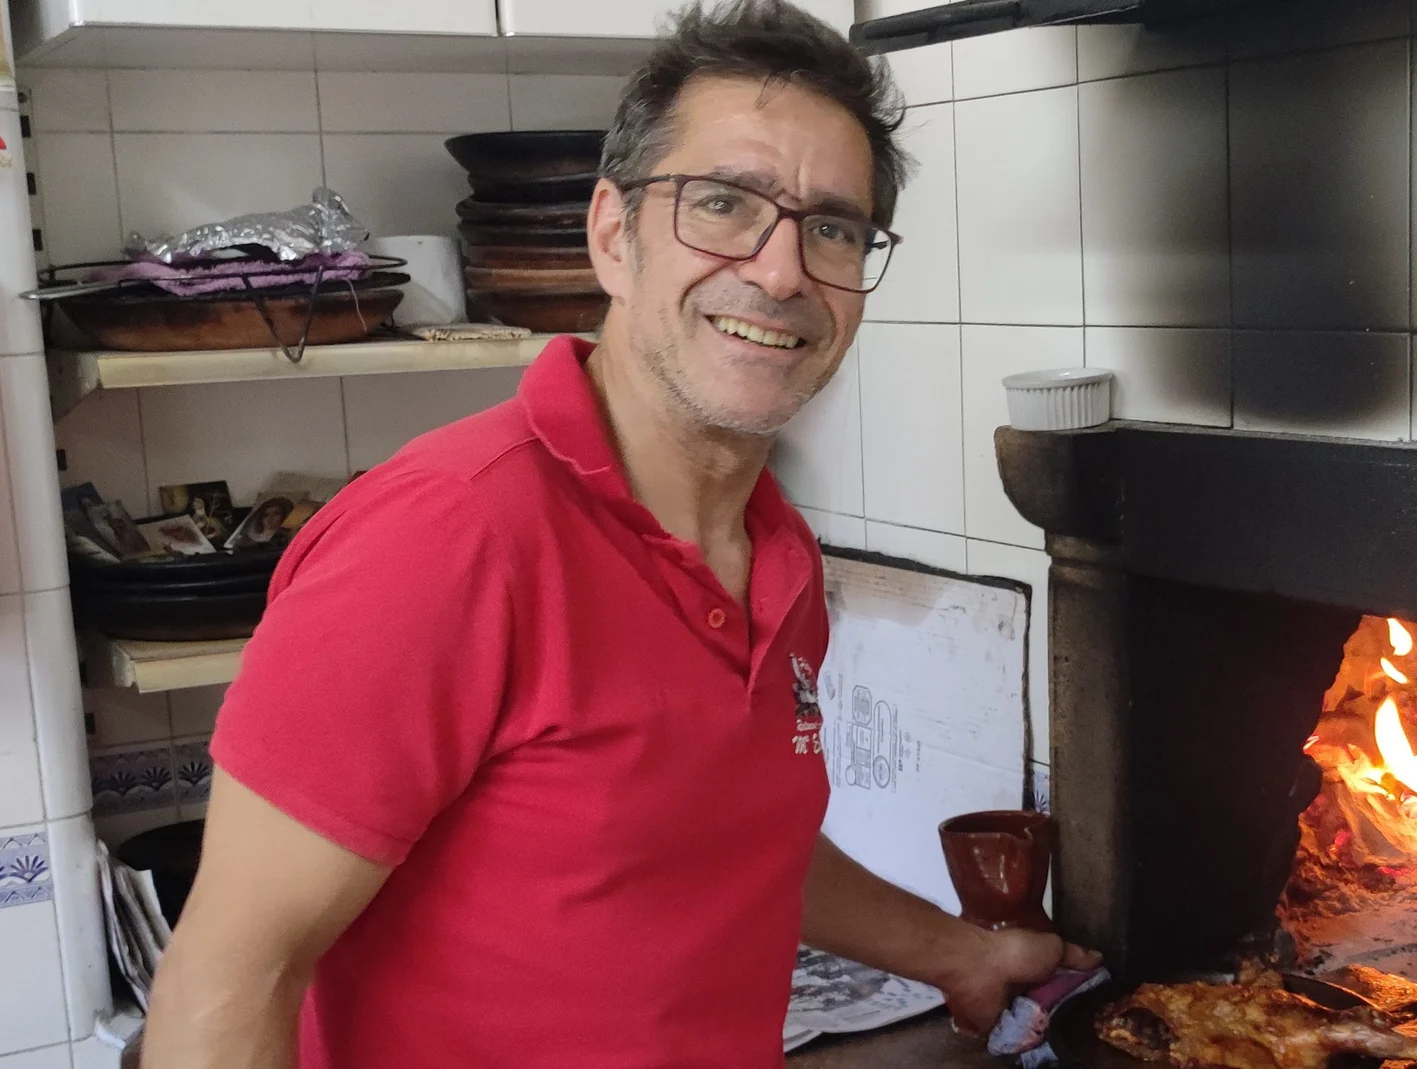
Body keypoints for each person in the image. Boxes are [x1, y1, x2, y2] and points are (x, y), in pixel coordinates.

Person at [139, 2, 1097, 1067]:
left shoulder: (777, 558)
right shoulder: (443, 541)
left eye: (831, 226)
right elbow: (225, 984)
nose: (780, 272)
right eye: (723, 203)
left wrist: (957, 953)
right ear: (611, 233)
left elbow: (723, 837)